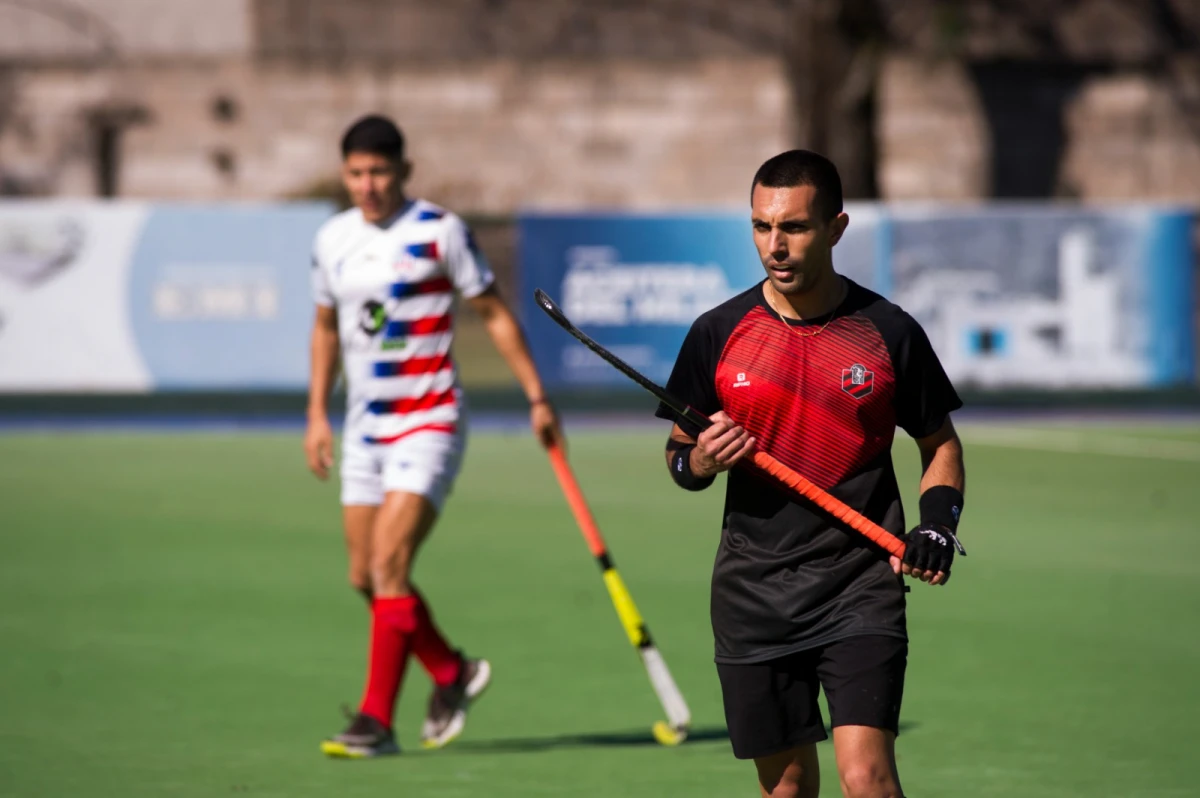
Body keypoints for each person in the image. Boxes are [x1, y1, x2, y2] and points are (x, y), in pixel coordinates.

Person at [656, 150, 966, 798]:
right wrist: (704, 460)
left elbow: (939, 443)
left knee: (868, 778)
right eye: (762, 226)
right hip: (753, 593)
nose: (776, 245)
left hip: (859, 584)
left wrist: (937, 524)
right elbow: (680, 457)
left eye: (793, 227)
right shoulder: (717, 332)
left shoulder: (888, 332)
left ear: (836, 227)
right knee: (789, 786)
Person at [305, 114, 561, 758]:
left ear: (404, 172)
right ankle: (451, 673)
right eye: (357, 173)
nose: (368, 185)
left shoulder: (440, 231)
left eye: (380, 172)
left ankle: (375, 722)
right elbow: (325, 329)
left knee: (392, 564)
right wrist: (315, 414)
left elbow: (494, 314)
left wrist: (536, 394)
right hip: (365, 428)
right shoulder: (331, 238)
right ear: (346, 175)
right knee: (364, 575)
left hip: (429, 419)